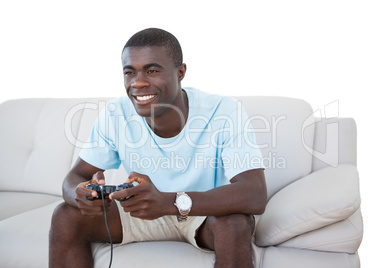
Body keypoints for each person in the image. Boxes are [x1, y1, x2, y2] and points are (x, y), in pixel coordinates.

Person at [49, 28, 267, 268]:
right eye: (130, 72)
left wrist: (169, 202)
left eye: (152, 71)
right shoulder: (116, 113)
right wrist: (81, 194)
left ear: (181, 72)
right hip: (143, 213)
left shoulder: (223, 110)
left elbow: (254, 193)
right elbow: (75, 176)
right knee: (65, 215)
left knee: (235, 223)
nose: (138, 82)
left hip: (203, 215)